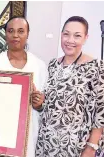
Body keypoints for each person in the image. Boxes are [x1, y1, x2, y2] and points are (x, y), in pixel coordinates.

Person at [36, 16, 104, 157]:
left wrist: (91, 147)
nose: (70, 40)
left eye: (77, 36)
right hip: (46, 144)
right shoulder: (53, 65)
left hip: (76, 148)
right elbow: (49, 106)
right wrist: (40, 103)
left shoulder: (96, 67)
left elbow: (101, 111)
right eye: (66, 34)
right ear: (61, 35)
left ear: (86, 38)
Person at [0, 16, 47, 157]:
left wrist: (39, 104)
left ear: (28, 34)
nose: (15, 35)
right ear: (6, 34)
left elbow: (45, 106)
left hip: (27, 139)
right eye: (11, 31)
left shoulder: (40, 66)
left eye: (21, 31)